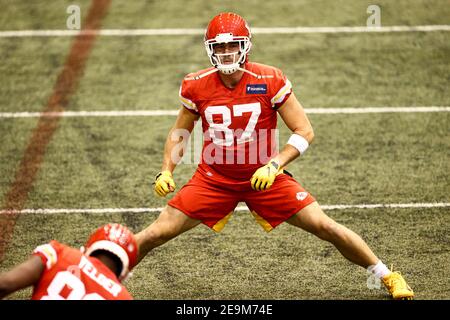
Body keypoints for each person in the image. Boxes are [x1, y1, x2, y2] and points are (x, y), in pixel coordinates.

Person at [136, 12, 414, 300]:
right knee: (157, 232)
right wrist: (166, 170)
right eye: (219, 47)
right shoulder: (196, 84)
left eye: (232, 46)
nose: (226, 53)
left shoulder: (269, 79)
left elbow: (304, 130)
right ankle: (106, 276)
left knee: (324, 225)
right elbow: (180, 132)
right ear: (210, 49)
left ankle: (387, 275)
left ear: (246, 46)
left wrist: (274, 164)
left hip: (265, 177)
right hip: (214, 179)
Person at [0, 223, 138, 300]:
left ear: (87, 248)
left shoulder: (58, 253)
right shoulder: (122, 297)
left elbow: (5, 284)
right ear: (124, 274)